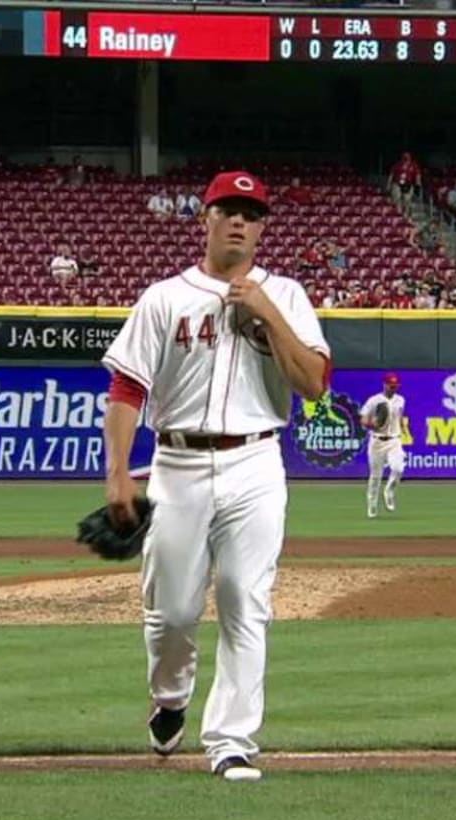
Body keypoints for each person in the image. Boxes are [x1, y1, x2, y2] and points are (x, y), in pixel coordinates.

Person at [101, 170, 330, 783]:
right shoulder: (163, 297)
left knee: (243, 602)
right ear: (203, 218)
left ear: (262, 227)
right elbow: (126, 387)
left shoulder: (286, 294)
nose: (238, 220)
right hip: (175, 464)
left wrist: (265, 313)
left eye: (250, 213)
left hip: (256, 461)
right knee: (172, 611)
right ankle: (171, 694)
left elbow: (314, 383)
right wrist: (118, 474)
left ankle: (232, 740)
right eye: (227, 209)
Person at [359, 373, 408, 518]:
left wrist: (403, 430)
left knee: (398, 468)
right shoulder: (374, 401)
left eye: (395, 386)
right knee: (375, 477)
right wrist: (370, 424)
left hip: (394, 440)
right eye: (390, 386)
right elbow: (363, 419)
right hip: (377, 441)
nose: (393, 388)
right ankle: (372, 505)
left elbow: (399, 416)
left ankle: (389, 490)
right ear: (384, 385)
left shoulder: (400, 400)